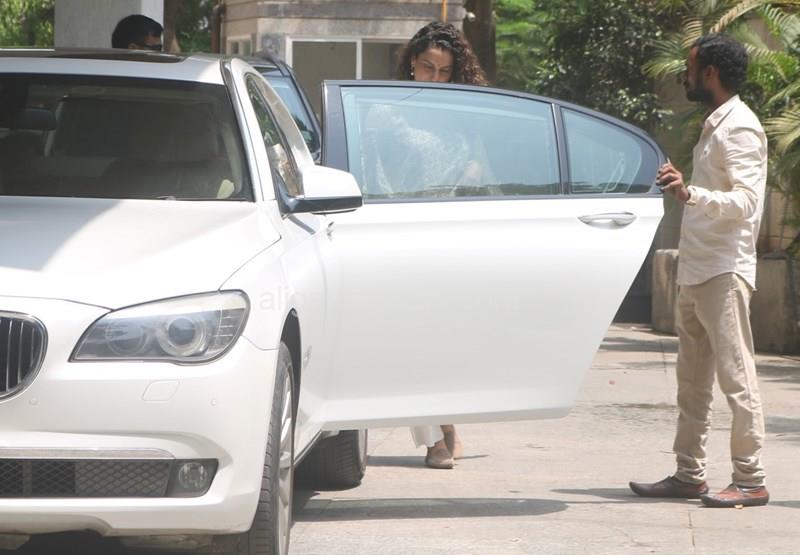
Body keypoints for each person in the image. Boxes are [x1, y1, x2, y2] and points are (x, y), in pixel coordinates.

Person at [629, 33, 769, 508]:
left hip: (724, 272)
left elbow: (747, 202)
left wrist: (691, 194)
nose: (684, 77)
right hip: (696, 269)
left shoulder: (741, 127)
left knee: (737, 379)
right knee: (691, 384)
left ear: (710, 73)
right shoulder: (717, 124)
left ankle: (750, 480)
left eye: (690, 69)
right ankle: (689, 475)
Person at [397, 21, 487, 470]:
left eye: (444, 71)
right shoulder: (388, 112)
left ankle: (447, 424)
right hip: (402, 235)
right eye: (427, 67)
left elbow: (482, 166)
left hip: (453, 238)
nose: (434, 77)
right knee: (414, 342)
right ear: (412, 64)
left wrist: (474, 170)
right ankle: (434, 439)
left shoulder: (462, 115)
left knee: (445, 344)